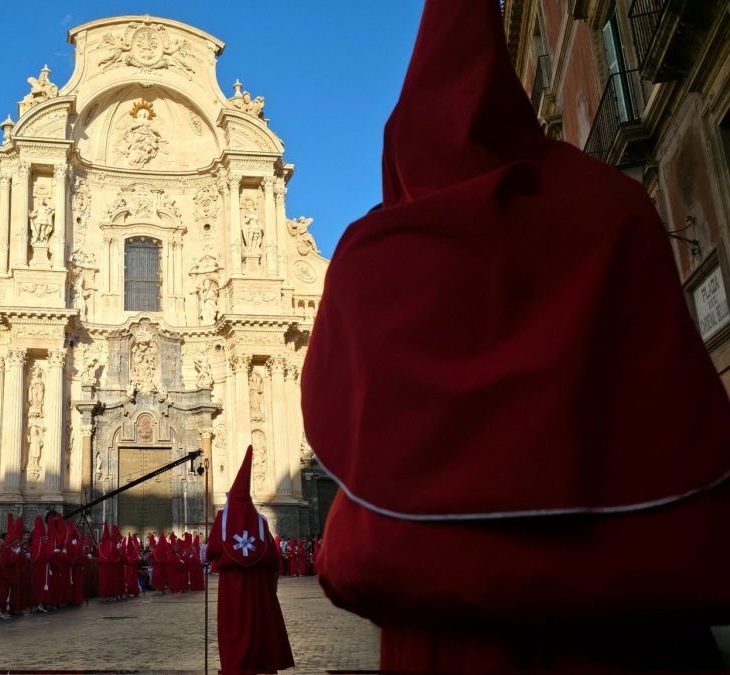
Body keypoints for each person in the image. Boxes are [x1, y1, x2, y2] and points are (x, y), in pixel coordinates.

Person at [302, 1, 730, 671]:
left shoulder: (367, 257)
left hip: (442, 644)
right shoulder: (614, 210)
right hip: (632, 636)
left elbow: (350, 501)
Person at [207, 445, 294, 675]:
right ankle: (259, 663)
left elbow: (213, 549)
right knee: (257, 625)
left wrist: (205, 554)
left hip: (232, 585)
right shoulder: (260, 520)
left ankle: (235, 667)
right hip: (257, 586)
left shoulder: (223, 519)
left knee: (233, 626)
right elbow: (273, 558)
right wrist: (271, 586)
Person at [0, 514, 23, 619]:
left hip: (11, 574)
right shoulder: (7, 550)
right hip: (5, 575)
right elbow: (8, 562)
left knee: (9, 593)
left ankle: (6, 611)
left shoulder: (13, 549)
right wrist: (16, 553)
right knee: (3, 593)